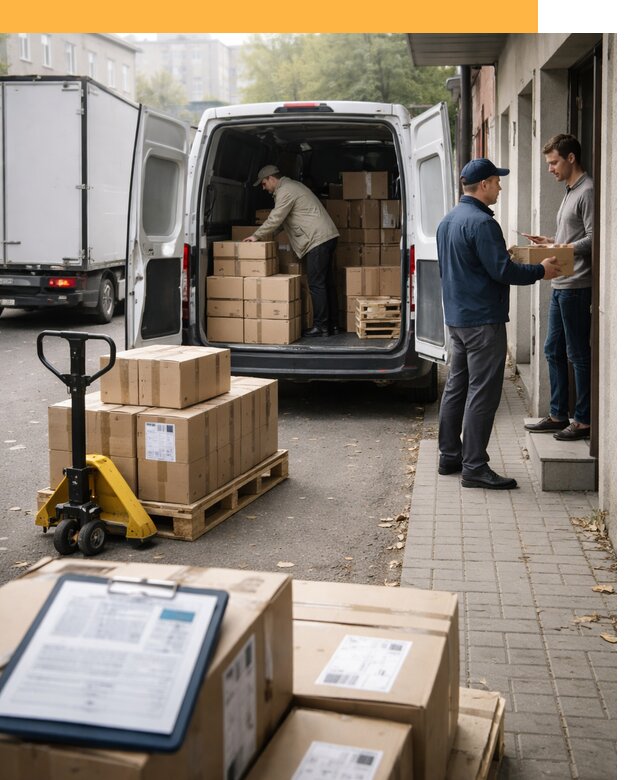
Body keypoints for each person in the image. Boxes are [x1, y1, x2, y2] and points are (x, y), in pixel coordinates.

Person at [437, 158, 562, 490]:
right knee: (483, 393)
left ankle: (450, 456)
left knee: (456, 387)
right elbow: (502, 272)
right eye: (496, 181)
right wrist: (541, 270)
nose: (500, 187)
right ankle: (474, 466)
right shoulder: (482, 223)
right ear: (483, 185)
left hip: (458, 319)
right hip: (483, 321)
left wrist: (500, 257)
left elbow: (465, 266)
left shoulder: (448, 221)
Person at [522, 134, 594, 441]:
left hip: (577, 285)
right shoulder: (570, 190)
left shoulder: (587, 190)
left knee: (577, 354)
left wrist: (561, 247)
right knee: (552, 350)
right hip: (561, 284)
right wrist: (551, 242)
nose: (550, 168)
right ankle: (558, 414)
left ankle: (584, 420)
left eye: (553, 162)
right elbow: (572, 237)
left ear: (571, 158)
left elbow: (593, 238)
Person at [244, 165, 339, 337]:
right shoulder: (292, 186)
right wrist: (271, 234)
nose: (264, 188)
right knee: (326, 283)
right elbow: (284, 220)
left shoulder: (285, 191)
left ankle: (322, 326)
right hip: (326, 236)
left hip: (317, 239)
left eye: (264, 183)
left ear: (271, 178)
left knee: (316, 284)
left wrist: (256, 236)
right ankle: (333, 325)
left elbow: (276, 217)